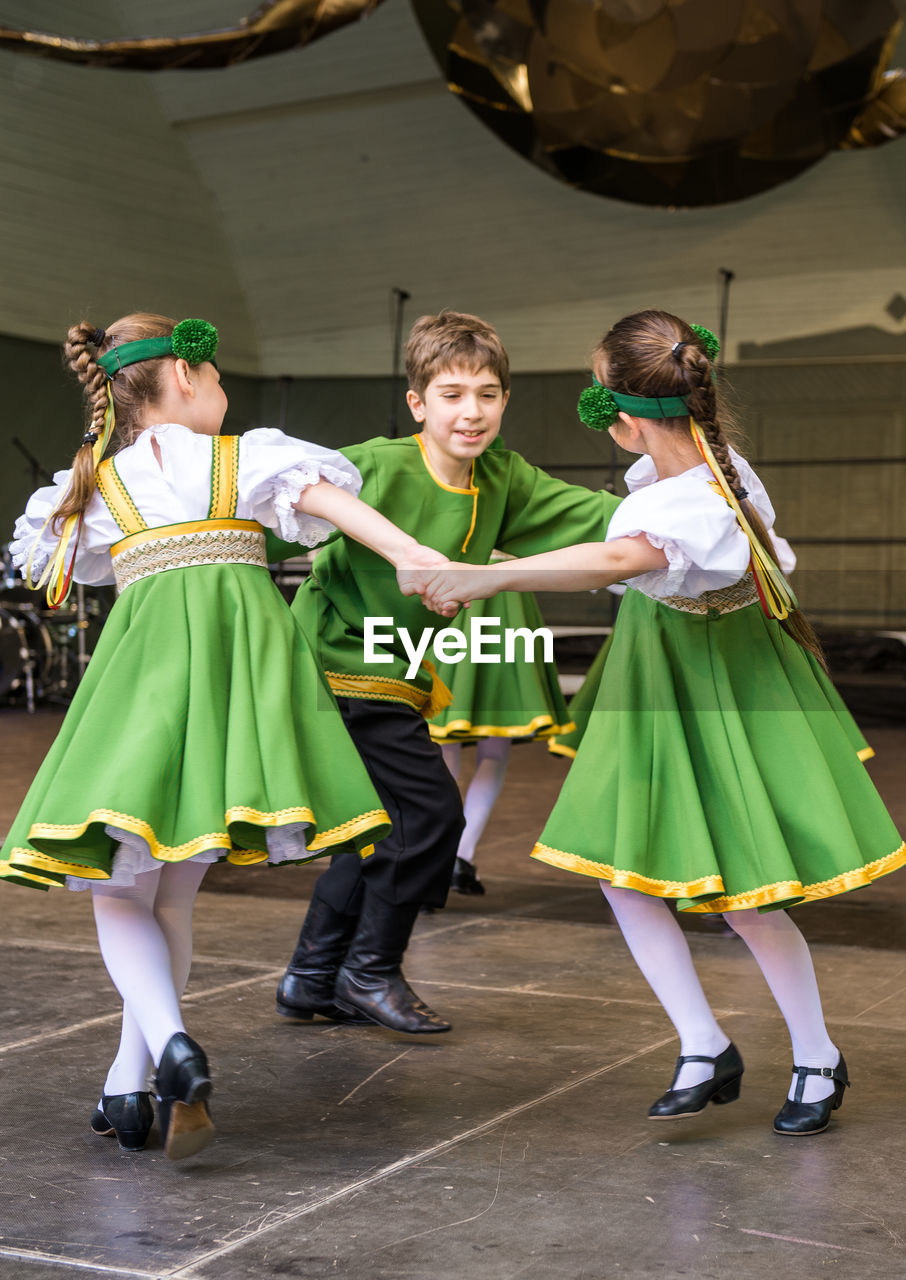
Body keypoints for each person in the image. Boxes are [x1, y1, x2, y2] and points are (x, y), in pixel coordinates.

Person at [413, 309, 905, 1136]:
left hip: (714, 690)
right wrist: (500, 561)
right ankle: (703, 1043)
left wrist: (484, 578)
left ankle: (817, 1053)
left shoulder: (704, 495)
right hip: (658, 678)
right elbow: (623, 561)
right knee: (622, 871)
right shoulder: (685, 477)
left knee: (745, 895)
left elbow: (621, 559)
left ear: (624, 415)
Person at [1, 313, 444, 1160]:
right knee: (170, 892)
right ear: (185, 379)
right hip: (243, 679)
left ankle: (165, 1048)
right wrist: (417, 555)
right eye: (217, 378)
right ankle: (129, 1085)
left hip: (147, 675)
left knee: (119, 890)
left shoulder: (97, 481)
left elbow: (53, 569)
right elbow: (337, 507)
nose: (225, 392)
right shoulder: (247, 457)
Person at [271, 309, 621, 1035]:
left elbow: (591, 518)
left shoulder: (502, 477)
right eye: (453, 393)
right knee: (431, 814)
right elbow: (268, 509)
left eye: (488, 394)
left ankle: (312, 977)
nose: (472, 411)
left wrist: (689, 505)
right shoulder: (369, 465)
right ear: (418, 403)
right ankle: (370, 973)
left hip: (395, 672)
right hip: (334, 664)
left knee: (380, 826)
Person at [430, 526, 573, 896]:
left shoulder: (445, 473)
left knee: (443, 737)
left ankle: (437, 857)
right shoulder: (513, 482)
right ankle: (461, 855)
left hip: (456, 590)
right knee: (494, 746)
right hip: (505, 597)